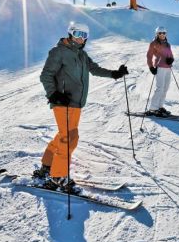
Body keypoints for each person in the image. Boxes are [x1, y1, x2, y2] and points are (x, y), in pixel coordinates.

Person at [33, 22, 129, 192]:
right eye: (78, 34)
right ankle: (58, 176)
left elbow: (95, 69)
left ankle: (47, 166)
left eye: (84, 35)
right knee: (68, 138)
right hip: (63, 102)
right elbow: (45, 75)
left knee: (65, 136)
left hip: (76, 104)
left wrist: (115, 73)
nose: (81, 38)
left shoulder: (82, 55)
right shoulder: (59, 52)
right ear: (70, 34)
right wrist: (54, 94)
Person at [145, 26, 174, 117]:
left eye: (164, 33)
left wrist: (171, 60)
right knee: (160, 88)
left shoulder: (167, 44)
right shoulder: (153, 43)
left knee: (165, 88)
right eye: (160, 33)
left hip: (168, 68)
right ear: (157, 34)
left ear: (166, 34)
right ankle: (153, 108)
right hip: (160, 67)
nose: (162, 35)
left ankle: (160, 107)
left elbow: (171, 55)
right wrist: (151, 67)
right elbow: (149, 56)